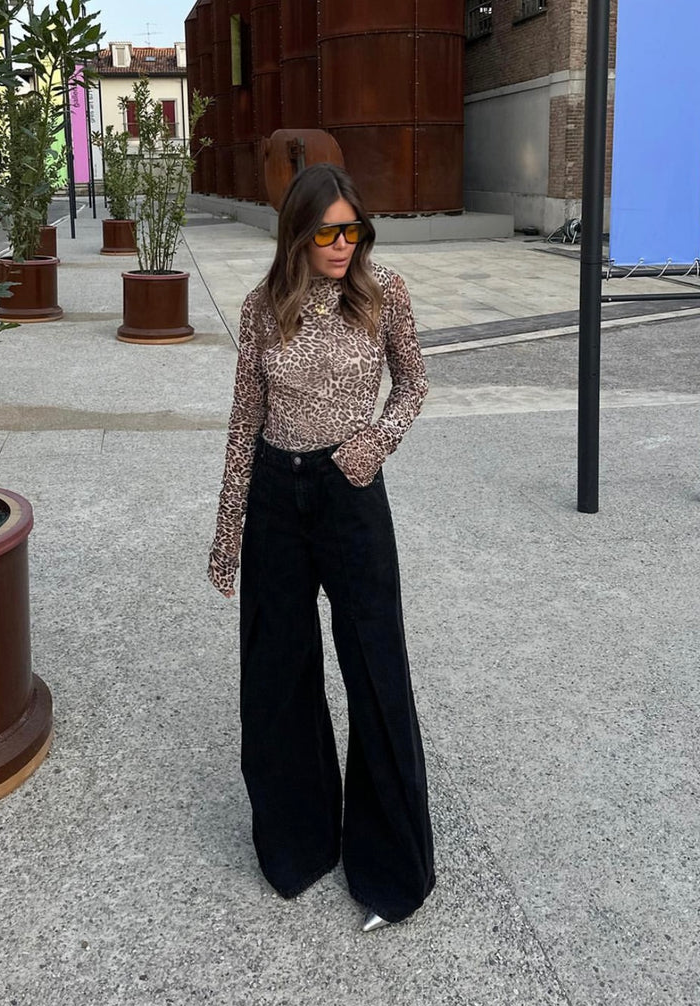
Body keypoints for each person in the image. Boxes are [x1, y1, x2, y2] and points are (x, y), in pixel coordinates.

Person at [208, 162, 434, 932]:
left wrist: (379, 440)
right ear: (298, 234)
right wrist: (228, 531)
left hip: (351, 493)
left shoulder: (384, 293)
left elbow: (414, 384)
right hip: (277, 494)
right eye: (328, 232)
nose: (343, 245)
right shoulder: (262, 307)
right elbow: (244, 419)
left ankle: (392, 869)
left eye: (354, 230)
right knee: (277, 669)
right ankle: (297, 845)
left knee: (375, 665)